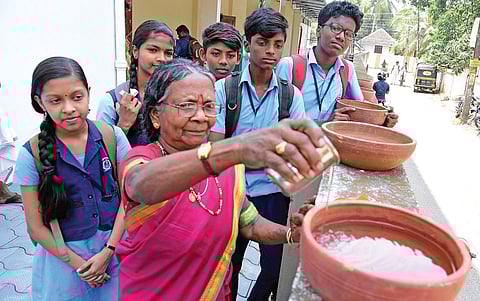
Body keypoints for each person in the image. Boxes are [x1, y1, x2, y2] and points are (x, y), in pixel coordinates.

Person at [117, 58, 325, 301]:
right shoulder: (141, 160)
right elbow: (141, 185)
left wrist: (291, 233)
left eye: (208, 106)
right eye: (186, 106)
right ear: (155, 114)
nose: (200, 116)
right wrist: (233, 150)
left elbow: (248, 222)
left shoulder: (227, 166)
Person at [14, 57, 131, 300]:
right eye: (56, 100)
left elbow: (129, 199)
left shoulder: (113, 137)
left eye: (77, 97)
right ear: (40, 103)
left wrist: (108, 252)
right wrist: (83, 266)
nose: (68, 108)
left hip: (114, 251)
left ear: (88, 93)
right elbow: (35, 228)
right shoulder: (31, 154)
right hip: (62, 263)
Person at [209, 8, 305, 300]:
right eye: (263, 42)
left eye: (277, 44)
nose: (271, 51)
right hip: (232, 192)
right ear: (247, 43)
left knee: (273, 268)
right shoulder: (224, 90)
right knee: (228, 267)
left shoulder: (291, 96)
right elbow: (216, 148)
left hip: (274, 194)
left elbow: (293, 150)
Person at [277, 1, 398, 128]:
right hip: (293, 145)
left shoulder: (347, 70)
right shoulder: (290, 66)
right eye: (335, 28)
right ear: (318, 30)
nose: (341, 37)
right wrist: (324, 124)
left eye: (349, 34)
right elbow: (273, 119)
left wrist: (384, 118)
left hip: (328, 145)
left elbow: (359, 108)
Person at [96, 20, 175, 146]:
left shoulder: (178, 96)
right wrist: (124, 125)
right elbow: (103, 154)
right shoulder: (112, 101)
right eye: (153, 50)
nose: (161, 58)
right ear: (135, 51)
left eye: (168, 53)